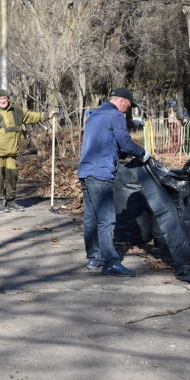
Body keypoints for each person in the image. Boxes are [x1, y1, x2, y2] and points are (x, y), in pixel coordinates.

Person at [78, 88, 150, 277]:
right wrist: (143, 153)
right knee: (106, 220)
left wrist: (121, 154)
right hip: (101, 173)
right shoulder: (115, 115)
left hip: (86, 171)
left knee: (90, 219)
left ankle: (94, 258)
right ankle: (110, 262)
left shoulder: (94, 115)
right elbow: (126, 143)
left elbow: (106, 143)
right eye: (128, 104)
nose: (128, 109)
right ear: (121, 101)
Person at [0, 89, 56, 212]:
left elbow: (32, 116)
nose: (3, 100)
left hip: (12, 152)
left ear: (8, 99)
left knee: (12, 177)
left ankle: (10, 201)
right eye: (0, 99)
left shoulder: (17, 110)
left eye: (5, 98)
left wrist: (48, 115)